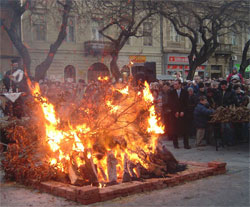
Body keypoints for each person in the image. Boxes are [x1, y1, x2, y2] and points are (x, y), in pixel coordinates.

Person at [168, 79, 191, 149]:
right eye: (174, 84)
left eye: (176, 84)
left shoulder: (185, 92)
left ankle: (186, 144)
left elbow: (186, 103)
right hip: (175, 114)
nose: (175, 85)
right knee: (174, 129)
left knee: (185, 129)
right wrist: (175, 111)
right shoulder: (171, 93)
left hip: (183, 113)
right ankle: (176, 144)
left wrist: (183, 111)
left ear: (180, 85)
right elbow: (171, 103)